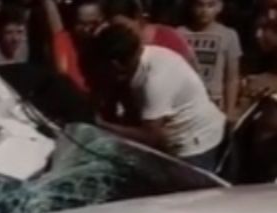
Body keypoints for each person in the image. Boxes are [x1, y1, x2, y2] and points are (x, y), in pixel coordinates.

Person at [92, 24, 227, 170]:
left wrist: (102, 125)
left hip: (195, 145)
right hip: (175, 138)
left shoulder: (155, 80)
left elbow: (151, 136)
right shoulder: (143, 58)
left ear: (116, 64)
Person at [178, 0, 242, 120]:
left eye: (210, 5)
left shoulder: (228, 35)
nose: (204, 11)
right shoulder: (179, 33)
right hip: (185, 104)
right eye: (200, 5)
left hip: (214, 104)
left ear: (219, 7)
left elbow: (232, 78)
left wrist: (230, 111)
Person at [104, 0, 197, 64]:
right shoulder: (115, 47)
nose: (120, 34)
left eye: (124, 28)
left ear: (137, 17)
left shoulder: (170, 39)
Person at [44, 0, 105, 90]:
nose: (86, 29)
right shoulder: (64, 41)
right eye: (81, 24)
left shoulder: (110, 43)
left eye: (93, 23)